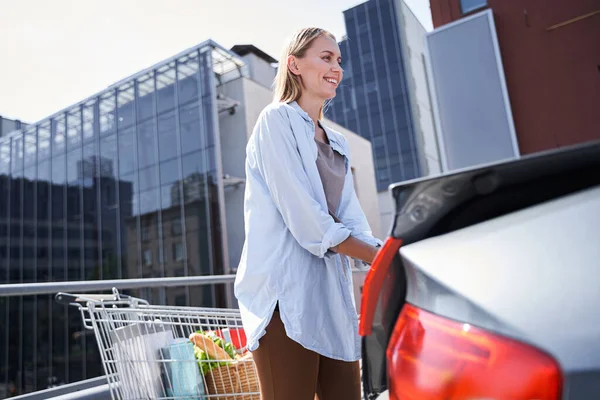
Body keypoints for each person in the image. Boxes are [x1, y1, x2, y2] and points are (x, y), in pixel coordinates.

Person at [234, 27, 382, 400]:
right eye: (326, 57)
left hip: (330, 301)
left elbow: (352, 219)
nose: (336, 67)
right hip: (285, 301)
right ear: (295, 65)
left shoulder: (337, 143)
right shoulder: (275, 122)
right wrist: (379, 258)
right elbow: (308, 221)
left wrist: (386, 252)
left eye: (339, 60)